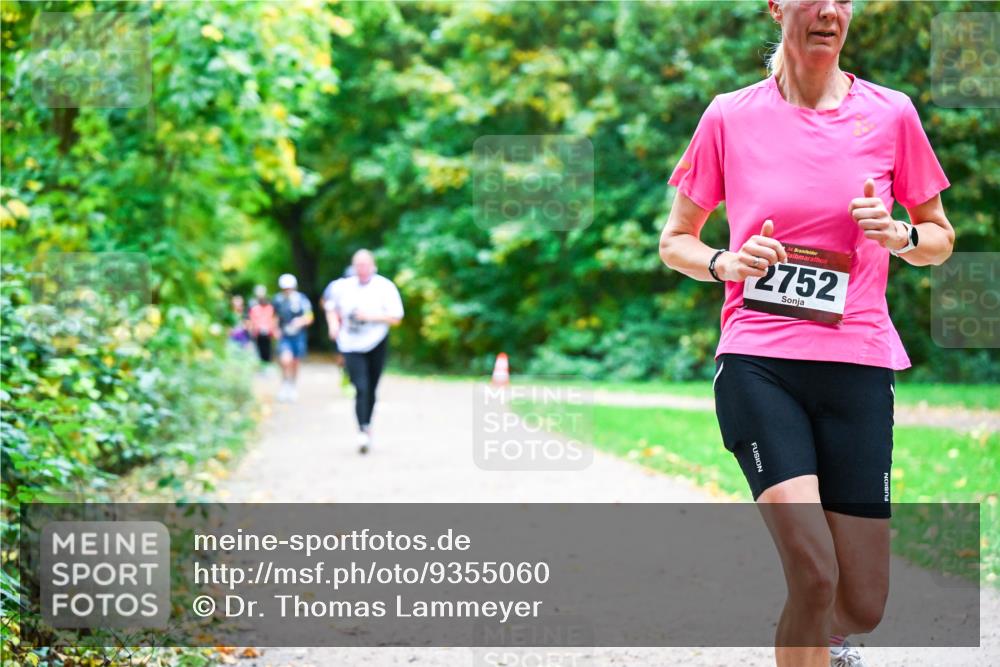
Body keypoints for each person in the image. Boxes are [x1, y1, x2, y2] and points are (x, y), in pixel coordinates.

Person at [658, 2, 955, 666]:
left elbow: (939, 236)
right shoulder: (730, 116)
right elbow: (675, 240)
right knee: (814, 572)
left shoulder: (891, 114)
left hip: (858, 362)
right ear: (776, 5)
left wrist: (901, 234)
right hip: (759, 359)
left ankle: (821, 639)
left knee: (862, 603)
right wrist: (723, 263)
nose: (828, 10)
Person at [323, 249, 404, 454]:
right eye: (358, 265)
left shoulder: (385, 287)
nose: (361, 269)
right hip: (350, 343)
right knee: (361, 386)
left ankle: (367, 424)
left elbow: (396, 318)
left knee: (372, 387)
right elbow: (329, 306)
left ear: (373, 266)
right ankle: (362, 430)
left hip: (376, 341)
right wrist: (333, 325)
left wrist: (369, 316)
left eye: (365, 265)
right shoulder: (342, 287)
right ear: (353, 266)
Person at [273, 273, 314, 402]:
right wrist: (275, 329)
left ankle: (292, 386)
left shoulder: (302, 300)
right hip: (284, 335)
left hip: (298, 335)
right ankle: (285, 384)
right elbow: (274, 316)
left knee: (295, 362)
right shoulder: (278, 300)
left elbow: (309, 317)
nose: (287, 291)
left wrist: (300, 321)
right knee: (285, 360)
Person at [247, 284, 275, 368]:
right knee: (258, 349)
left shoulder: (269, 305)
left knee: (268, 349)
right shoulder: (252, 304)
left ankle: (267, 366)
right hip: (257, 332)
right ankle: (261, 366)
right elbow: (250, 317)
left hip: (268, 332)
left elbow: (273, 317)